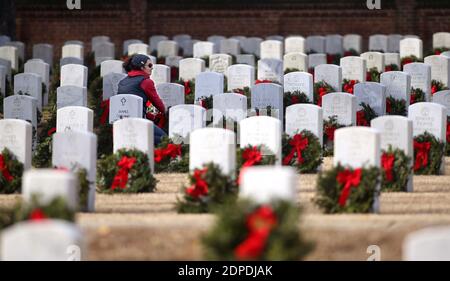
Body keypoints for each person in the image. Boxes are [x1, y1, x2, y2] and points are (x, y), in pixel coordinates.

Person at [118, 54, 167, 145]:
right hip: (138, 122)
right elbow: (159, 105)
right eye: (149, 65)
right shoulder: (146, 82)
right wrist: (165, 112)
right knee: (164, 139)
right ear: (141, 67)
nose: (152, 68)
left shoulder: (123, 81)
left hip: (121, 120)